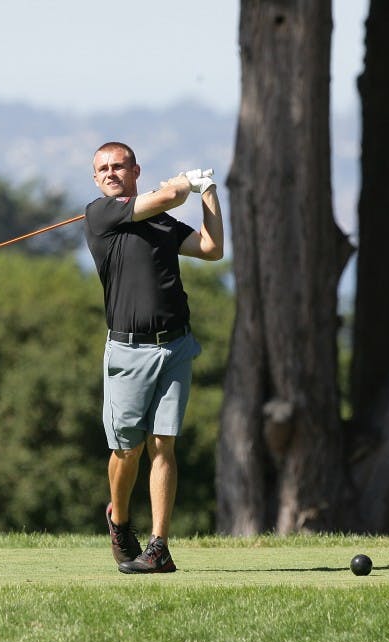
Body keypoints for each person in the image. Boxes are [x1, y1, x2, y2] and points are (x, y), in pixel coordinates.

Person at [85, 141, 223, 574]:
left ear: (135, 170)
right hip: (127, 352)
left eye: (119, 166)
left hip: (176, 346)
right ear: (96, 179)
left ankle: (159, 546)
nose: (111, 173)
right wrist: (181, 184)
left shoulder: (161, 222)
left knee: (163, 444)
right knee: (127, 450)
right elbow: (169, 196)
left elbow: (211, 248)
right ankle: (120, 521)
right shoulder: (100, 214)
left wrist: (208, 192)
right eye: (103, 169)